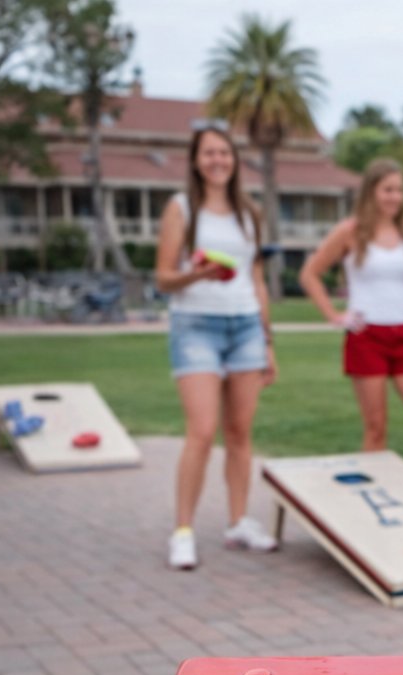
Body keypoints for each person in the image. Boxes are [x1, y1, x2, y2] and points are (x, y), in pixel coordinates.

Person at [155, 122, 278, 571]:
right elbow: (163, 278)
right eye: (209, 153)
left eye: (224, 153)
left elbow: (257, 278)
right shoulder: (181, 209)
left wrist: (268, 340)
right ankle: (183, 531)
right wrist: (196, 274)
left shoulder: (249, 212)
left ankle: (238, 521)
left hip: (245, 326)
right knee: (203, 432)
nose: (217, 161)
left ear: (234, 159)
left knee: (241, 433)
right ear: (195, 160)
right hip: (196, 326)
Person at [300, 158, 403, 478]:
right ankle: (374, 503)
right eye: (387, 190)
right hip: (367, 338)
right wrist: (334, 314)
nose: (394, 197)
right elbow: (310, 274)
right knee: (376, 428)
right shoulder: (350, 231)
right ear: (371, 192)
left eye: (400, 190)